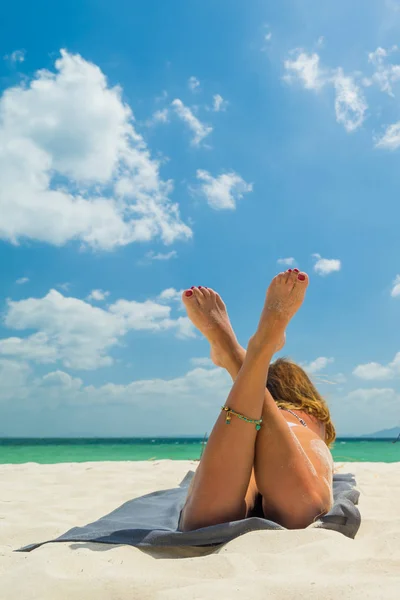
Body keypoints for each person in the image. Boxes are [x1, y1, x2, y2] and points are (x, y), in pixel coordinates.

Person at [179, 268, 335, 532]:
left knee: (202, 523)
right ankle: (252, 350)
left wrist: (248, 377)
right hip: (292, 431)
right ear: (303, 391)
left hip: (239, 436)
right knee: (304, 511)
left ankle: (234, 353)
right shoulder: (309, 413)